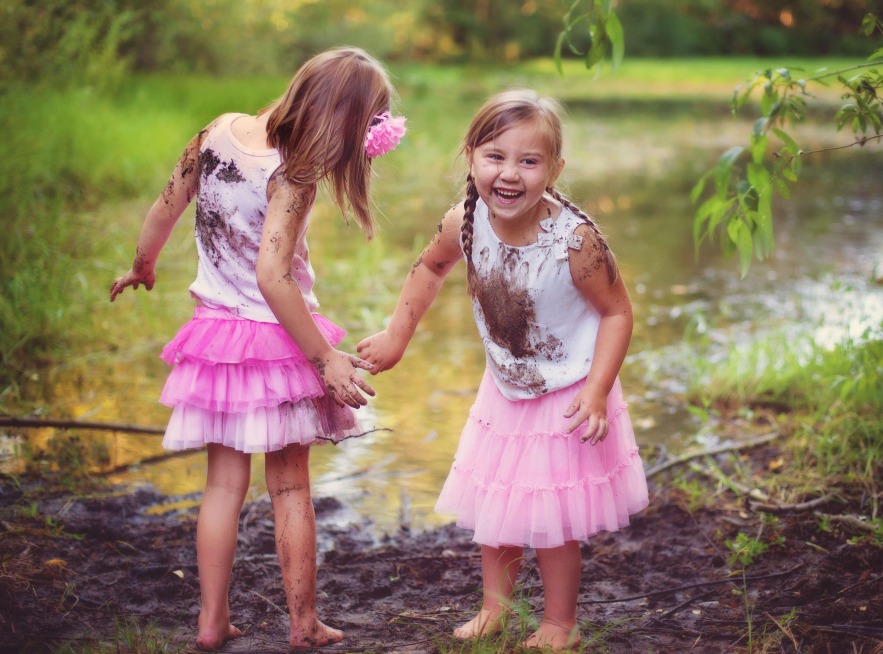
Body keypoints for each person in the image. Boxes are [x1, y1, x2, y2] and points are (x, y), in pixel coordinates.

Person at [109, 47, 406, 650]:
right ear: (345, 121)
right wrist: (324, 357)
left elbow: (165, 207)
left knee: (222, 486)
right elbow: (274, 274)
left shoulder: (215, 132)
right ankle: (303, 624)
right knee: (290, 486)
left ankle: (211, 621)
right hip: (276, 343)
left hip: (216, 338)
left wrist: (143, 266)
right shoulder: (293, 174)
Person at [357, 89, 649, 649]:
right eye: (495, 156)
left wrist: (597, 391)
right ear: (471, 157)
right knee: (499, 502)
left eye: (529, 160)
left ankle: (560, 623)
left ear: (554, 169)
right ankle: (497, 609)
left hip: (567, 392)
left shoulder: (575, 242)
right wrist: (398, 334)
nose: (509, 173)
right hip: (506, 390)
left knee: (551, 516)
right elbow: (429, 268)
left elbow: (617, 314)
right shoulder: (464, 223)